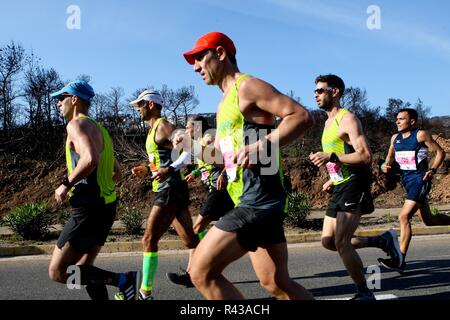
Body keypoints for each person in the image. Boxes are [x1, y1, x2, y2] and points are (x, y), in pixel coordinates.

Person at [183, 31, 315, 300]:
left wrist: (261, 146)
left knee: (201, 273)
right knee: (276, 283)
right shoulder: (224, 104)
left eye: (199, 57)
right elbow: (219, 156)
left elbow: (301, 116)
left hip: (257, 202)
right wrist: (188, 145)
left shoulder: (247, 86)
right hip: (252, 200)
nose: (195, 67)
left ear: (220, 53)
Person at [309, 74, 403, 300]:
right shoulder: (327, 122)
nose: (316, 94)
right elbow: (341, 157)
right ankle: (382, 240)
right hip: (341, 184)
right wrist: (332, 177)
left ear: (335, 92)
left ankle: (364, 292)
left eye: (321, 90)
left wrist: (331, 155)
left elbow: (365, 156)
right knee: (328, 241)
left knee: (342, 242)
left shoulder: (347, 119)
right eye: (315, 91)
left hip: (354, 185)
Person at [48, 80, 137, 300]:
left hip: (89, 209)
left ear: (74, 99)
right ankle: (121, 283)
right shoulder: (100, 129)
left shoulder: (76, 125)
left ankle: (123, 280)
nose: (58, 104)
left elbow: (90, 159)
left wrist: (66, 184)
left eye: (62, 98)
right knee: (83, 269)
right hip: (106, 207)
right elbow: (117, 171)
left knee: (59, 272)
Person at [122, 89, 199, 300]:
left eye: (140, 105)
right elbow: (161, 158)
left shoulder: (164, 125)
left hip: (170, 189)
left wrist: (171, 169)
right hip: (172, 188)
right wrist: (147, 169)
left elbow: (190, 148)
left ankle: (145, 293)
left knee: (148, 239)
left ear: (151, 105)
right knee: (190, 241)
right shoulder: (151, 130)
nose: (138, 109)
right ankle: (212, 263)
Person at [166, 116, 235, 287]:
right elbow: (204, 164)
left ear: (196, 127)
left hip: (220, 191)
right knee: (232, 231)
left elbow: (227, 157)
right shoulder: (199, 142)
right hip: (215, 190)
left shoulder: (209, 138)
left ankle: (194, 274)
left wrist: (224, 173)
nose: (186, 130)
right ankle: (204, 270)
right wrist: (195, 173)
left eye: (188, 127)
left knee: (196, 231)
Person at [378, 108, 448, 271]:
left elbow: (440, 153)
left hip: (420, 180)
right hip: (407, 182)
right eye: (397, 119)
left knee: (403, 216)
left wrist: (432, 170)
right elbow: (389, 157)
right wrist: (385, 166)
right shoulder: (395, 138)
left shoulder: (421, 135)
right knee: (429, 221)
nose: (397, 121)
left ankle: (400, 259)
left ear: (412, 121)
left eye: (401, 119)